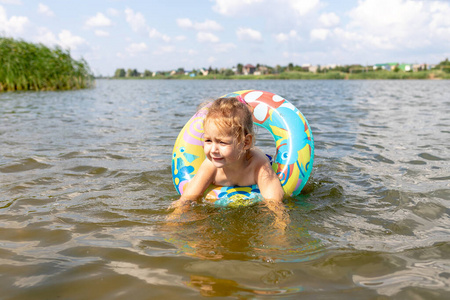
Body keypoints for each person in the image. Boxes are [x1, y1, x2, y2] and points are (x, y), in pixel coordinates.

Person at [168, 97, 288, 229]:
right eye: (208, 140)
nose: (213, 150)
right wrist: (173, 222)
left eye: (222, 142)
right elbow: (187, 198)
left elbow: (275, 203)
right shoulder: (210, 166)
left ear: (245, 143)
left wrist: (280, 229)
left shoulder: (258, 165)